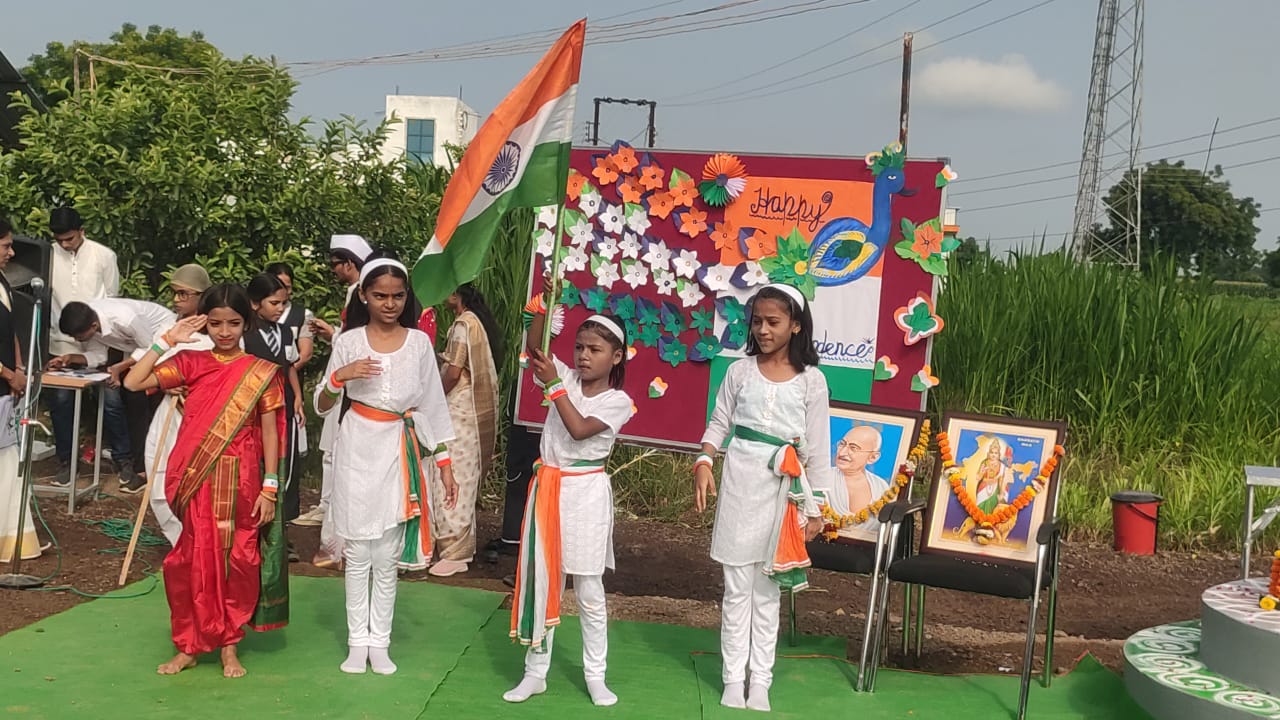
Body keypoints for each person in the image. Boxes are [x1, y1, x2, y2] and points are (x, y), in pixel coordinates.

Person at [123, 283, 288, 679]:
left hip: (244, 479)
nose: (225, 332)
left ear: (246, 323)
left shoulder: (261, 373)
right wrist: (168, 341)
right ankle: (190, 645)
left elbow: (270, 433)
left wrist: (270, 486)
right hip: (195, 479)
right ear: (206, 325)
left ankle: (230, 646)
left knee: (239, 561)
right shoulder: (192, 363)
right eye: (215, 323)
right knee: (190, 561)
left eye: (233, 323)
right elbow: (133, 382)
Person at [315, 257, 458, 676]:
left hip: (401, 446)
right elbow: (321, 405)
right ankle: (357, 641)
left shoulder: (418, 344)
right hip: (358, 445)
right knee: (358, 549)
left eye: (398, 296)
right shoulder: (349, 342)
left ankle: (381, 641)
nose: (390, 304)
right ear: (363, 296)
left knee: (387, 551)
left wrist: (444, 462)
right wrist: (339, 377)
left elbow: (433, 405)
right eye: (380, 295)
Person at [693, 284, 829, 713]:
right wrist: (704, 460)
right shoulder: (740, 372)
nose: (764, 330)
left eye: (774, 322)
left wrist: (816, 507)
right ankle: (733, 678)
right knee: (736, 587)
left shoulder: (812, 381)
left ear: (796, 325)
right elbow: (719, 422)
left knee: (767, 589)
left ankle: (761, 682)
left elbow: (819, 450)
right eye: (758, 322)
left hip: (784, 490)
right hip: (740, 480)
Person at [504, 277, 633, 708]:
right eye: (579, 347)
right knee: (547, 583)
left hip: (586, 493)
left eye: (594, 349)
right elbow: (537, 348)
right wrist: (546, 301)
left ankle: (596, 674)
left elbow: (578, 431)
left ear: (616, 357)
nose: (583, 355)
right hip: (549, 490)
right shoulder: (566, 379)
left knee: (590, 590)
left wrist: (555, 386)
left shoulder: (619, 401)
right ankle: (535, 671)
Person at [50, 298, 176, 493]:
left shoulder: (125, 318)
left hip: (165, 340)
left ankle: (142, 467)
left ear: (92, 325)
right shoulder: (91, 323)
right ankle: (135, 464)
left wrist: (120, 367)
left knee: (137, 400)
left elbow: (151, 346)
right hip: (137, 352)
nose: (76, 340)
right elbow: (98, 355)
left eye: (79, 336)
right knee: (123, 397)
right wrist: (70, 358)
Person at [45, 206, 128, 484]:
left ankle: (123, 460)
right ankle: (67, 462)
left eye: (70, 238)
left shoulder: (104, 256)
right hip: (61, 340)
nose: (65, 244)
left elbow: (112, 298)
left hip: (98, 338)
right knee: (61, 401)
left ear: (82, 231)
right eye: (60, 240)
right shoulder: (48, 256)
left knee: (112, 399)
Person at [307, 234, 373, 565]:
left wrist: (334, 336)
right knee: (336, 459)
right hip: (345, 386)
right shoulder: (354, 296)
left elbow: (350, 341)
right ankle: (335, 540)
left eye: (336, 264)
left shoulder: (358, 293)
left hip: (362, 401)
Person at [430, 283, 502, 577]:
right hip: (469, 410)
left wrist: (433, 395)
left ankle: (454, 550)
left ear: (456, 293)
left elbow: (454, 371)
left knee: (453, 474)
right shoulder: (476, 322)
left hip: (458, 408)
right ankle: (458, 547)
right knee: (463, 474)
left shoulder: (463, 324)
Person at [146, 264, 214, 546]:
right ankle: (182, 544)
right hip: (169, 412)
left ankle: (203, 546)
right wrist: (164, 383)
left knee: (200, 485)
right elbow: (146, 376)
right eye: (174, 293)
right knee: (157, 484)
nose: (176, 300)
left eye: (184, 294)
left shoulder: (218, 333)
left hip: (204, 419)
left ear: (202, 295)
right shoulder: (166, 330)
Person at [245, 274, 305, 532]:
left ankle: (282, 527)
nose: (280, 308)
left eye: (283, 303)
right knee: (256, 464)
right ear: (255, 303)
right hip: (253, 409)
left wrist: (299, 397)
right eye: (274, 303)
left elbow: (289, 366)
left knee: (286, 464)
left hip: (284, 406)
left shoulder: (284, 332)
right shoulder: (244, 334)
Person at [0, 217, 41, 562]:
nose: (11, 253)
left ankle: (13, 539)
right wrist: (7, 374)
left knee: (9, 460)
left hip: (6, 388)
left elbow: (9, 329)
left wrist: (19, 369)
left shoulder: (2, 280)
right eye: (5, 246)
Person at [825, 425, 891, 533]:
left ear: (873, 457)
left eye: (853, 448)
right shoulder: (822, 478)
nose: (842, 452)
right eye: (842, 444)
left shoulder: (881, 487)